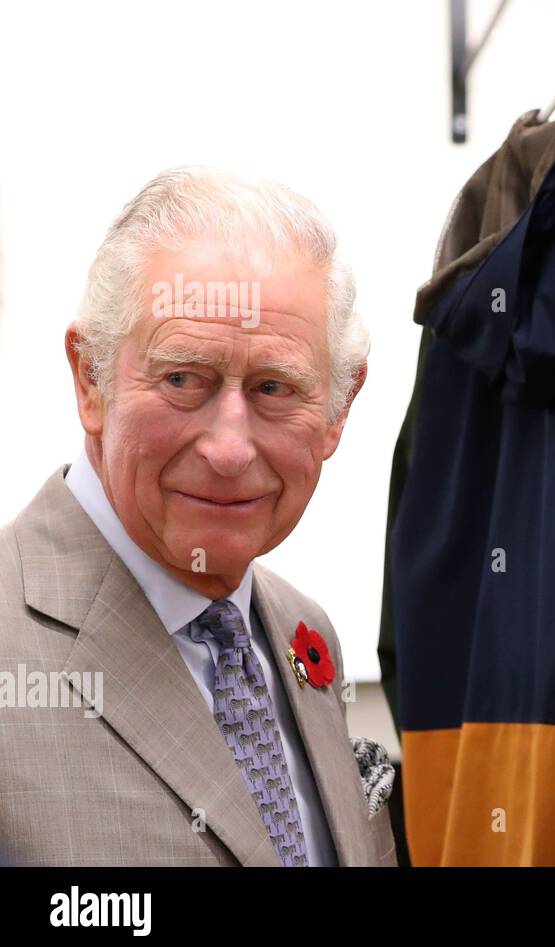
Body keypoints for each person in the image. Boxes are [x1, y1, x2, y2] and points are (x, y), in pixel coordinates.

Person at [0, 167, 393, 866]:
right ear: (90, 379)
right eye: (184, 378)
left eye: (275, 388)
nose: (230, 448)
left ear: (339, 409)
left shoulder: (307, 637)